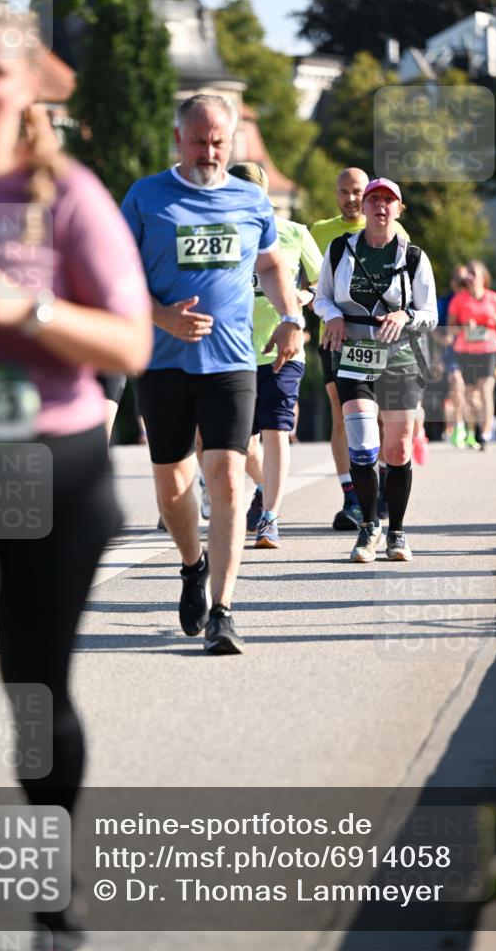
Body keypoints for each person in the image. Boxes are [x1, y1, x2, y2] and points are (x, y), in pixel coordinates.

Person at [0, 4, 152, 951]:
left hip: (54, 467)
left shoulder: (71, 196)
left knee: (37, 691)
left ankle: (51, 900)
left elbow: (127, 340)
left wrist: (24, 305)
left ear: (24, 88)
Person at [121, 94, 303, 654]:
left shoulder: (252, 199)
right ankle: (191, 564)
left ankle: (224, 610)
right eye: (198, 141)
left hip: (231, 361)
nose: (209, 152)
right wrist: (161, 317)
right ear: (178, 140)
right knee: (174, 487)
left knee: (226, 477)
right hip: (163, 362)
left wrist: (292, 316)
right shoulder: (146, 197)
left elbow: (270, 262)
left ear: (232, 141)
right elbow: (116, 275)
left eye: (219, 142)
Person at [315, 178, 437, 563]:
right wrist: (333, 316)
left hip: (400, 360)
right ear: (364, 208)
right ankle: (369, 527)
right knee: (363, 445)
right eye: (374, 200)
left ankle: (397, 532)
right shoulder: (339, 250)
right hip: (354, 356)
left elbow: (431, 315)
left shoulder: (414, 257)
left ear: (399, 210)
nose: (381, 206)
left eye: (389, 201)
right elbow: (321, 297)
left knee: (398, 448)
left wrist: (406, 315)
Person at [228, 161, 321, 548]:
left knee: (276, 432)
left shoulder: (295, 233)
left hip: (284, 350)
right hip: (233, 351)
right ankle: (267, 486)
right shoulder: (223, 235)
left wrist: (303, 297)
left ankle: (269, 517)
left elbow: (322, 284)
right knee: (243, 443)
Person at [311, 168, 409, 529]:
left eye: (357, 192)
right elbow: (310, 284)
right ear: (336, 194)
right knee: (343, 414)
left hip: (383, 340)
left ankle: (381, 483)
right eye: (344, 192)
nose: (351, 199)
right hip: (337, 339)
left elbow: (408, 288)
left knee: (381, 416)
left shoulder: (395, 233)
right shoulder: (320, 232)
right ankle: (351, 494)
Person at [447, 260, 496, 450]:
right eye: (468, 273)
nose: (469, 277)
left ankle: (485, 434)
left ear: (483, 277)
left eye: (473, 273)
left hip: (488, 349)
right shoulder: (459, 299)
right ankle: (470, 431)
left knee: (485, 390)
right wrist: (464, 327)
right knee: (468, 395)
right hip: (465, 351)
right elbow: (450, 327)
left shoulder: (493, 298)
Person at [436, 265, 468, 446]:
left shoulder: (474, 299)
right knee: (457, 385)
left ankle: (471, 428)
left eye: (463, 278)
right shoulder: (444, 301)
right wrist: (441, 338)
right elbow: (433, 324)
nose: (461, 282)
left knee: (471, 392)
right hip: (451, 352)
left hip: (474, 352)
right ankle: (458, 426)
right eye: (457, 278)